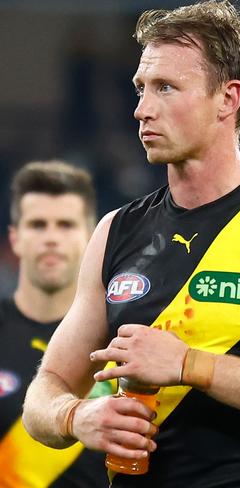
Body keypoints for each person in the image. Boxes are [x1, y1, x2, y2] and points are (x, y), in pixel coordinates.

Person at [22, 2, 240, 487]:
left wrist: (191, 365)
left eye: (166, 87)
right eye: (142, 88)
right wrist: (74, 417)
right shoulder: (115, 230)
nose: (142, 108)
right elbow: (47, 389)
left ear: (228, 99)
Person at [0, 161, 109, 487]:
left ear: (92, 239)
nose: (51, 238)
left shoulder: (120, 341)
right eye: (38, 225)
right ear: (15, 239)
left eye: (65, 225)